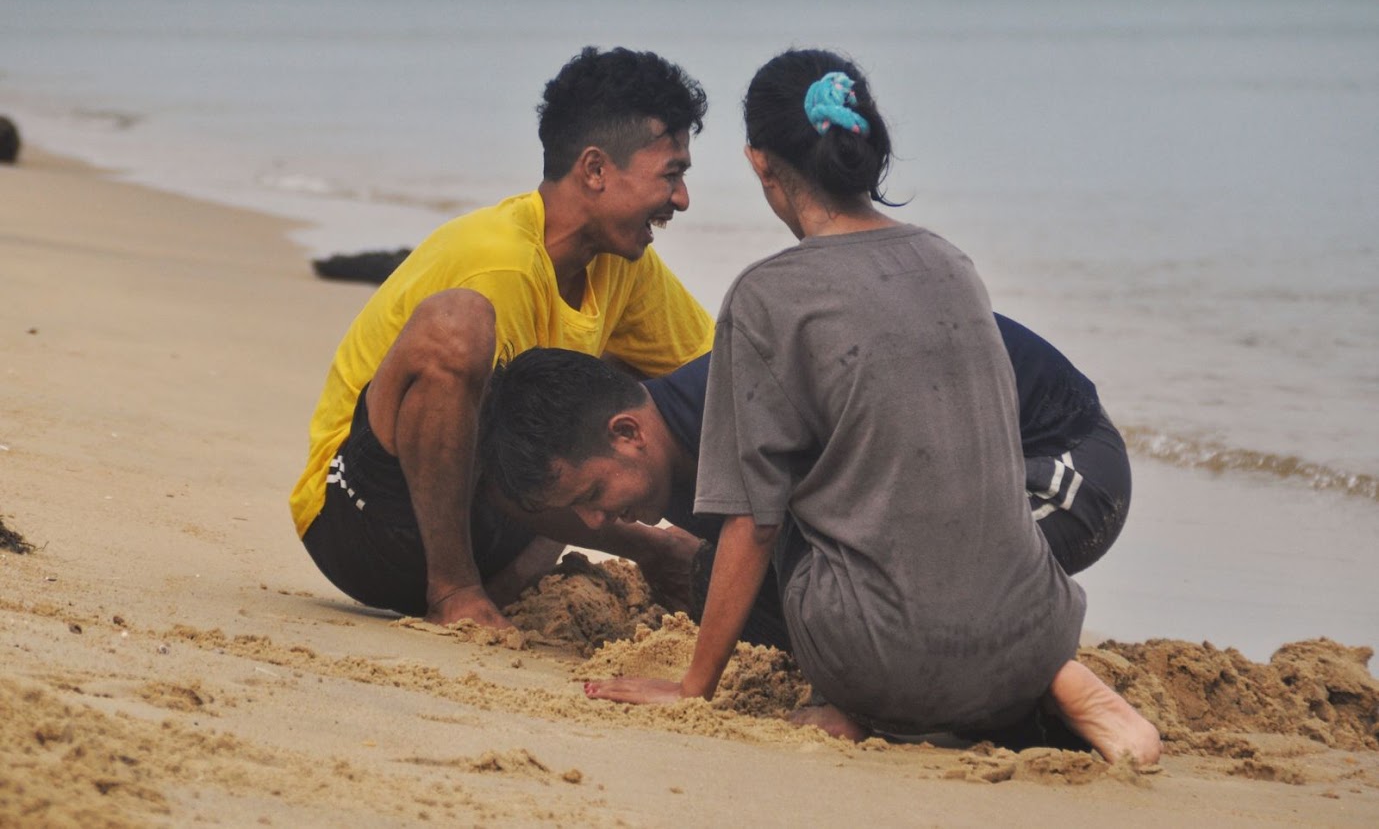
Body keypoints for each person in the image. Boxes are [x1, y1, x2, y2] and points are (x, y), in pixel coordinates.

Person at [559, 49, 1158, 763]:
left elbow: (753, 518)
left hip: (872, 658)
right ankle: (1045, 686)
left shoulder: (764, 297)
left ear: (759, 163)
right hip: (1035, 634)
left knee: (789, 487)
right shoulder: (951, 263)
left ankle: (847, 701)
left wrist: (693, 684)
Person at [289, 47, 716, 631]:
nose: (682, 199)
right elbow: (504, 460)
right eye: (671, 174)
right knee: (460, 325)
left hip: (495, 528)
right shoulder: (500, 263)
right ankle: (454, 591)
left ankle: (499, 585)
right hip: (366, 523)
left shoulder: (624, 260)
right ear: (594, 170)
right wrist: (651, 547)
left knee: (632, 391)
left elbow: (720, 382)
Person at [480, 309, 1131, 649]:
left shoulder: (743, 412)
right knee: (720, 585)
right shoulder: (664, 454)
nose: (596, 525)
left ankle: (1055, 682)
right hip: (931, 489)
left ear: (627, 432)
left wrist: (831, 696)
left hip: (1058, 462)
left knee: (896, 614)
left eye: (593, 495)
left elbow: (876, 537)